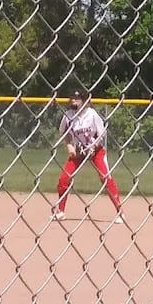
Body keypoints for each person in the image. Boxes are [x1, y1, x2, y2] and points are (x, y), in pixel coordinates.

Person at [53, 90, 124, 222]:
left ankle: (120, 213)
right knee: (64, 179)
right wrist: (69, 145)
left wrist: (93, 146)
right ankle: (61, 211)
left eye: (77, 98)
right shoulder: (68, 115)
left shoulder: (92, 114)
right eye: (72, 98)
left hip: (96, 151)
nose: (73, 100)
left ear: (84, 101)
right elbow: (65, 132)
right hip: (79, 153)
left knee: (105, 178)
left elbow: (102, 134)